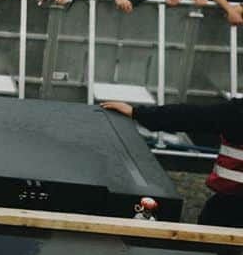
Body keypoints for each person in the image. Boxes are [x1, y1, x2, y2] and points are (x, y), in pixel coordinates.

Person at [102, 98, 243, 228]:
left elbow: (191, 116)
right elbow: (191, 116)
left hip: (228, 209)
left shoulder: (236, 112)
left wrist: (137, 113)